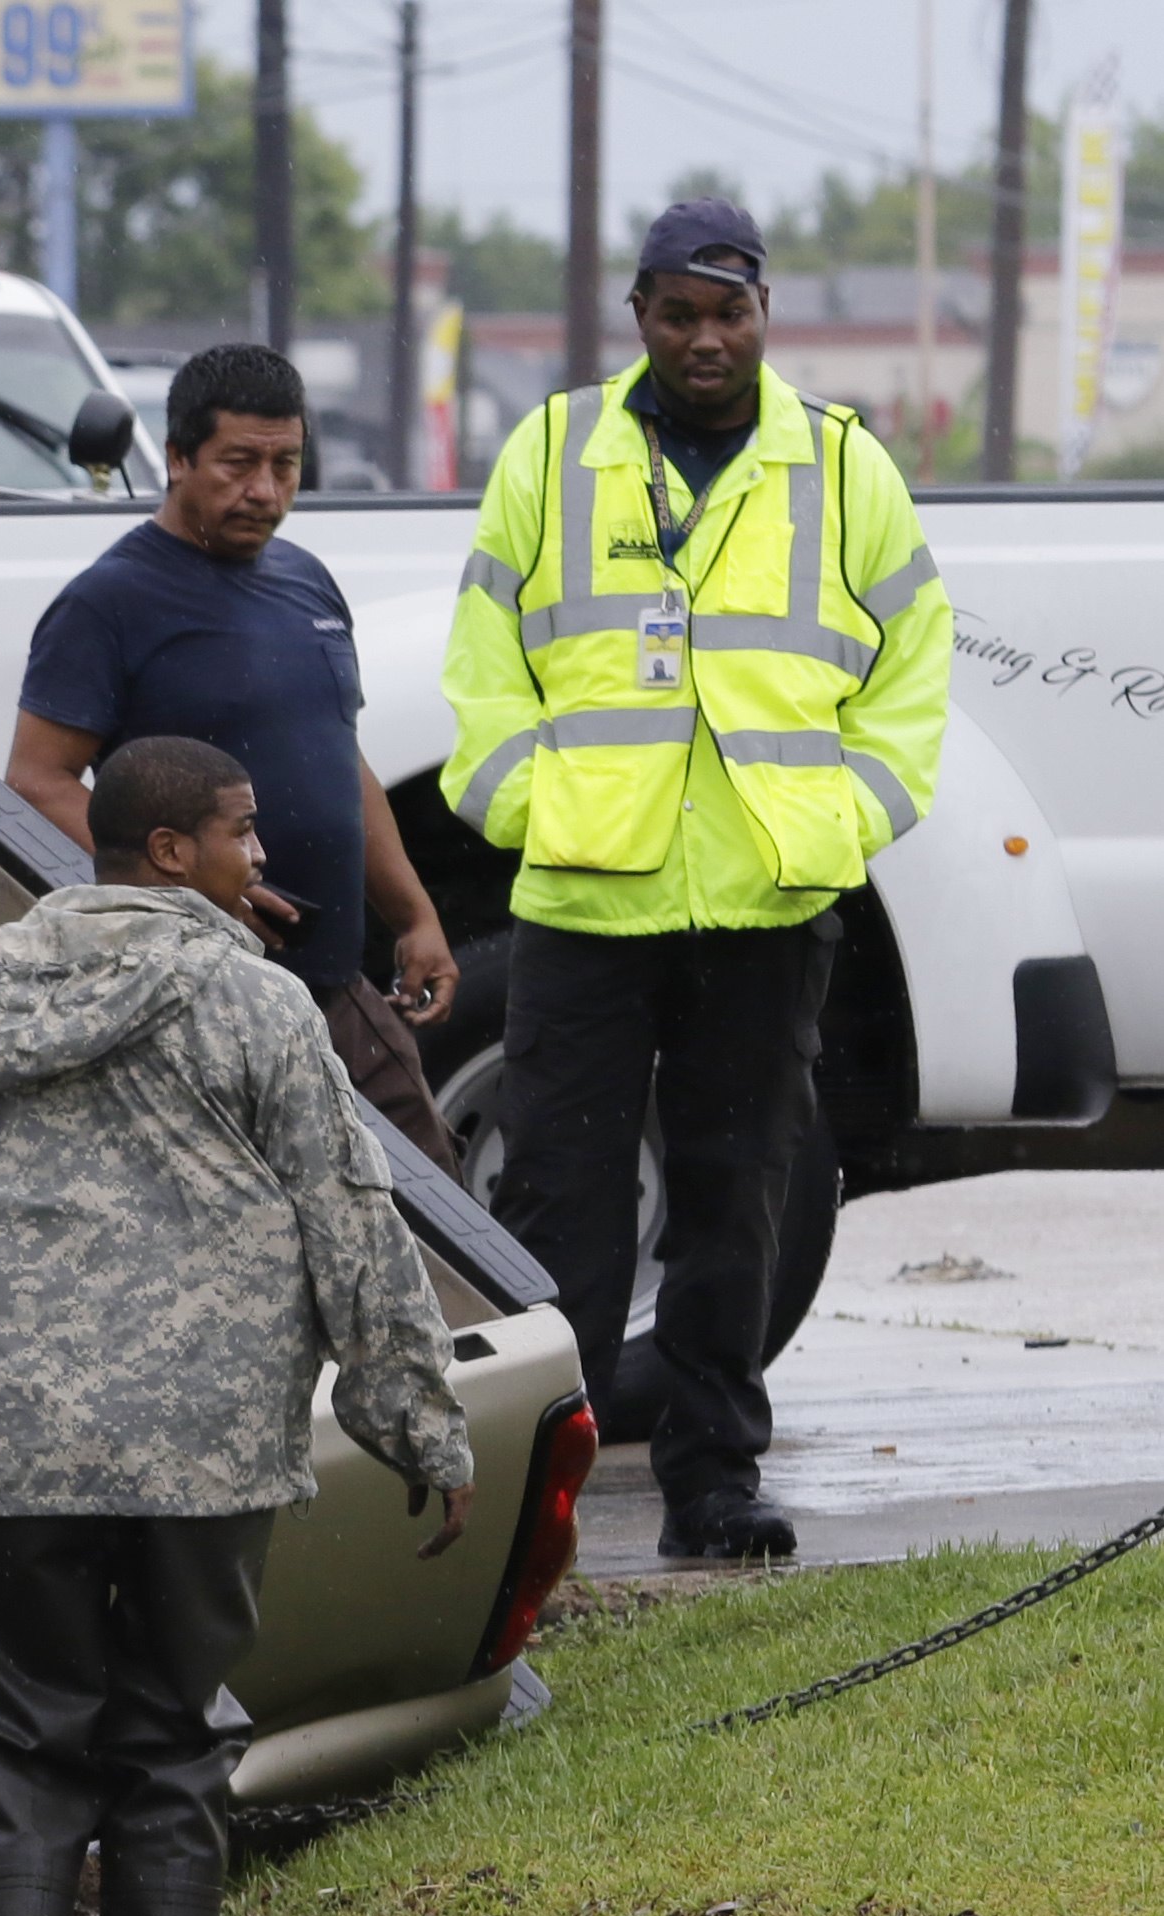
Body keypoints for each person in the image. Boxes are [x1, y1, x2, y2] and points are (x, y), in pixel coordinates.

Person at [0, 735, 479, 1916]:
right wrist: (418, 1423)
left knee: (16, 1734)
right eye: (241, 830)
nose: (260, 854)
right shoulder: (257, 1003)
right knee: (167, 1735)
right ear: (169, 850)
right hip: (201, 1463)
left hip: (19, 1452)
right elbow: (350, 1220)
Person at [443, 200, 950, 1561]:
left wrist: (846, 820)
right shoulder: (551, 451)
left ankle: (713, 1482)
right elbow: (480, 662)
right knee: (561, 1210)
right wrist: (527, 807)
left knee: (738, 1199)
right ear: (638, 318)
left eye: (727, 312)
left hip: (763, 907)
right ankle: (520, 1504)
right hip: (582, 904)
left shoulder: (839, 469)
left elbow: (911, 664)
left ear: (762, 313)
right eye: (676, 314)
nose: (703, 338)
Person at [6, 343, 467, 1169]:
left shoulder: (308, 583)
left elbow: (341, 760)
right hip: (200, 1003)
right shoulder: (107, 602)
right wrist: (188, 894)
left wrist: (414, 914)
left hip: (334, 988)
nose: (264, 490)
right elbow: (36, 779)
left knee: (435, 1217)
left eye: (285, 464)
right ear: (177, 458)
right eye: (237, 463)